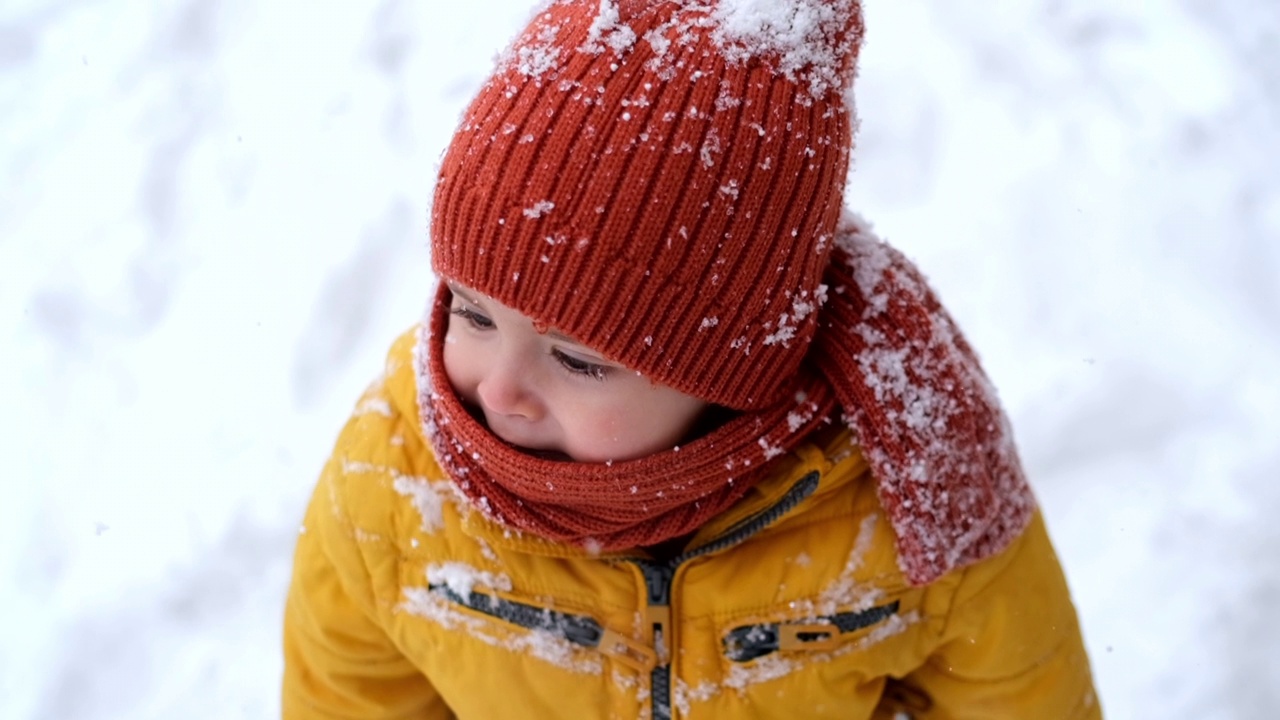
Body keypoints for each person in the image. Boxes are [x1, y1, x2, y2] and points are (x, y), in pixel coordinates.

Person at [282, 1, 1101, 718]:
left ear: (730, 373)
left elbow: (1021, 696)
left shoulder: (907, 499)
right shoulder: (393, 485)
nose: (499, 388)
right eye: (473, 313)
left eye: (579, 362)